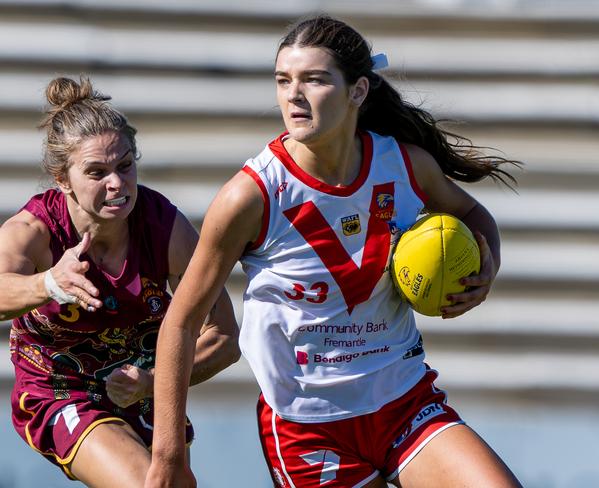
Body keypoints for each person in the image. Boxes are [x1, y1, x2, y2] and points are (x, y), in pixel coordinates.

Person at [146, 14, 522, 488]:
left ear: (358, 91)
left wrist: (486, 269)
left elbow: (474, 215)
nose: (293, 95)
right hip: (307, 428)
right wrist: (167, 454)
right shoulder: (252, 195)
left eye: (314, 80)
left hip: (404, 401)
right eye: (283, 80)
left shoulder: (405, 165)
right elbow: (180, 322)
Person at [0, 76, 240, 486]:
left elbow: (224, 339)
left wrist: (152, 382)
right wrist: (49, 284)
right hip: (60, 390)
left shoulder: (165, 228)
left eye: (125, 166)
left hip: (145, 391)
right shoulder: (34, 231)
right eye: (97, 172)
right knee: (143, 481)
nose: (117, 184)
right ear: (62, 179)